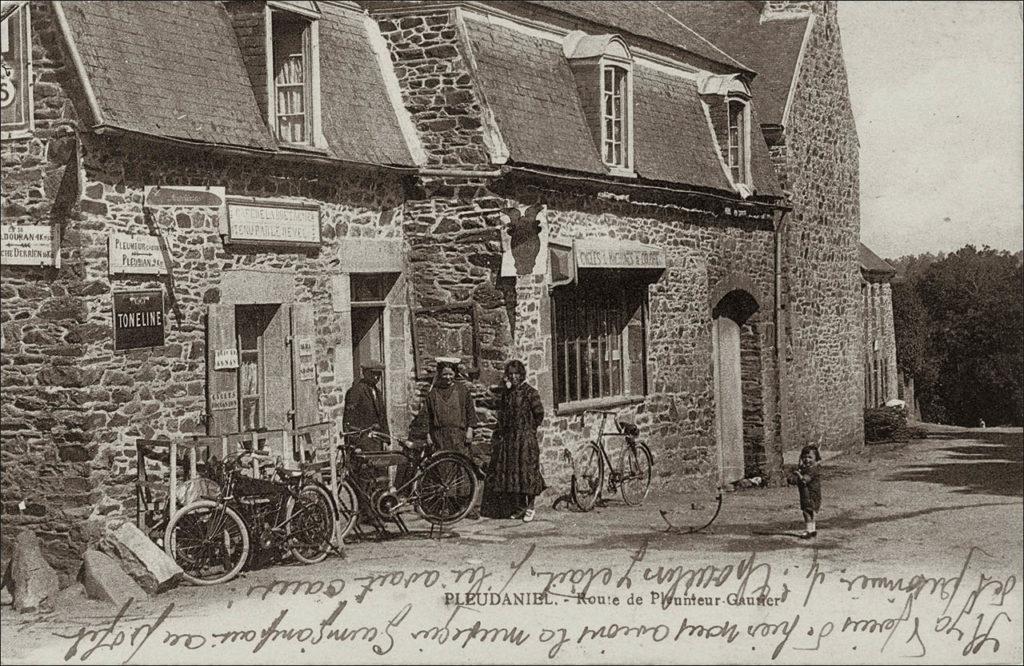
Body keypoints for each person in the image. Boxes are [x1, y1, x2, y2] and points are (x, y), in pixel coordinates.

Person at [482, 359, 545, 522]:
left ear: (521, 375)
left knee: (528, 473)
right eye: (510, 374)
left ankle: (530, 506)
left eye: (516, 374)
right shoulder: (507, 394)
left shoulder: (531, 392)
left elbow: (539, 414)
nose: (513, 377)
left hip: (525, 439)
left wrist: (528, 429)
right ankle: (519, 507)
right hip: (510, 439)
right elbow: (502, 414)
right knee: (513, 475)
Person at [343, 362, 389, 450]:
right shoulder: (356, 391)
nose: (377, 377)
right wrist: (354, 444)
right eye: (373, 373)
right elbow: (349, 419)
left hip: (377, 440)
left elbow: (383, 418)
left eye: (379, 374)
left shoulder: (378, 392)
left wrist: (386, 440)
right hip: (362, 442)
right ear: (365, 373)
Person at [792, 444, 822, 539]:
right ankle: (812, 530)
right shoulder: (809, 468)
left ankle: (808, 530)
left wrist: (798, 474)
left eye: (810, 457)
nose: (807, 460)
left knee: (806, 512)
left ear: (816, 458)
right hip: (809, 494)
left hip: (810, 494)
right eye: (804, 457)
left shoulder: (812, 470)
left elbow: (805, 480)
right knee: (810, 512)